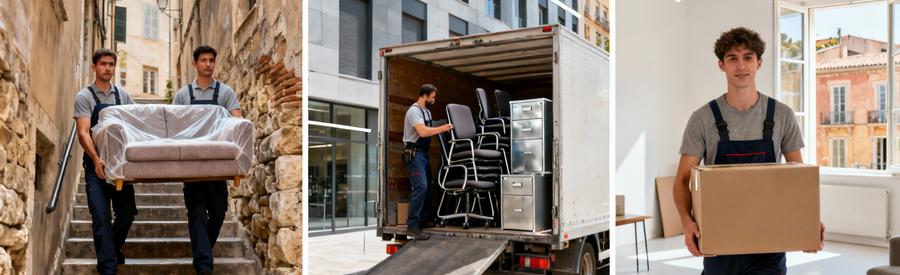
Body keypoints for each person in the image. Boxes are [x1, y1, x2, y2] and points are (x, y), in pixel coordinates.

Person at [672, 27, 825, 275]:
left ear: (759, 63)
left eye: (748, 57)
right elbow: (682, 180)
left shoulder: (782, 115)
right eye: (732, 58)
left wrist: (807, 222)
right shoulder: (702, 118)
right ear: (721, 65)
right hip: (719, 238)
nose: (741, 66)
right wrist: (686, 221)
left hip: (769, 239)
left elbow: (798, 177)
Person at [171, 45, 241, 275]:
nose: (208, 64)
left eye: (211, 60)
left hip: (217, 163)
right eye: (203, 60)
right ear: (195, 64)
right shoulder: (183, 95)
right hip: (191, 164)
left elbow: (237, 123)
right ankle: (204, 265)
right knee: (197, 211)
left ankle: (203, 251)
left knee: (219, 211)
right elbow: (173, 128)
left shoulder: (225, 93)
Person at [73, 49, 138, 275]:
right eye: (103, 64)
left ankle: (112, 248)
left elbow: (133, 129)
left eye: (111, 64)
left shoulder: (124, 97)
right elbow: (83, 132)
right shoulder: (85, 96)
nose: (108, 68)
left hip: (120, 167)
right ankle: (108, 268)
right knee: (101, 216)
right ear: (94, 67)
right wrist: (97, 159)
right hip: (95, 166)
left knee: (127, 214)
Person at [403, 84, 453, 240]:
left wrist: (444, 124)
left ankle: (423, 221)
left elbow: (430, 127)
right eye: (432, 97)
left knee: (428, 187)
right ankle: (413, 226)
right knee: (421, 187)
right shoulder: (414, 111)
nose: (434, 99)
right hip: (414, 154)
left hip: (423, 154)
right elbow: (423, 132)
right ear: (424, 95)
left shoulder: (427, 112)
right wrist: (443, 128)